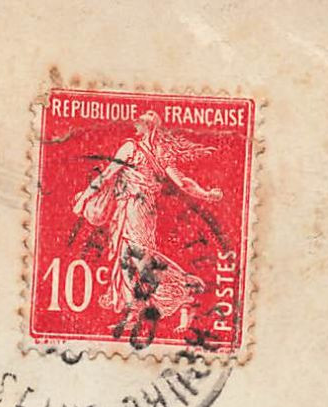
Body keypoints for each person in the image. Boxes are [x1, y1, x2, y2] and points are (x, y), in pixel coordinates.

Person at [71, 111, 222, 330]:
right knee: (127, 259)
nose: (135, 125)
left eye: (139, 123)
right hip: (134, 209)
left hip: (136, 209)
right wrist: (206, 194)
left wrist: (83, 199)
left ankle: (185, 293)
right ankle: (134, 314)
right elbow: (184, 183)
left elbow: (106, 176)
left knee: (140, 262)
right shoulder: (160, 152)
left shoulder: (132, 148)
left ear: (147, 126)